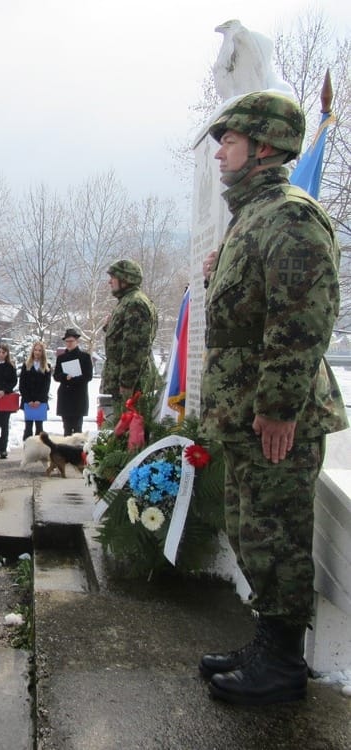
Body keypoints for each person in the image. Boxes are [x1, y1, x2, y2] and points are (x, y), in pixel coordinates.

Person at [198, 91, 347, 706]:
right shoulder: (253, 216)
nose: (219, 156)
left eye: (228, 142)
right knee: (250, 529)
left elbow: (303, 319)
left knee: (278, 535)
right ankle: (268, 642)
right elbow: (254, 305)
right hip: (247, 413)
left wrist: (280, 406)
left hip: (272, 416)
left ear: (263, 147)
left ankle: (283, 666)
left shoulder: (289, 215)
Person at [100, 259, 158, 418]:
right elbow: (121, 339)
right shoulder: (127, 302)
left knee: (129, 436)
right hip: (122, 386)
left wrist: (126, 385)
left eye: (113, 277)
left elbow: (135, 349)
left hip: (129, 389)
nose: (109, 281)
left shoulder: (135, 303)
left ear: (126, 279)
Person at [53, 328, 94, 436]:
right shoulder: (61, 358)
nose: (69, 344)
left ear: (76, 341)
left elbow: (88, 376)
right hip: (65, 396)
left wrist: (75, 378)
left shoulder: (85, 357)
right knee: (66, 428)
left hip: (78, 396)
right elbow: (56, 376)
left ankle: (76, 452)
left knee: (77, 428)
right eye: (67, 341)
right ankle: (66, 451)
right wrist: (65, 377)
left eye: (71, 341)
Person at [19, 341, 52, 440]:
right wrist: (28, 400)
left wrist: (39, 400)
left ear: (43, 353)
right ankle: (27, 449)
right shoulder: (26, 365)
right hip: (28, 401)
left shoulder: (47, 367)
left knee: (39, 428)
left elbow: (46, 386)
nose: (37, 352)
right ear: (32, 351)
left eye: (40, 350)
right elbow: (22, 384)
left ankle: (38, 450)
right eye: (35, 350)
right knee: (28, 427)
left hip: (40, 402)